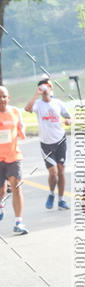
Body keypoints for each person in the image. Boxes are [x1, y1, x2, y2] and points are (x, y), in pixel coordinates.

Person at [24, 78, 71, 210]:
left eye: (47, 87)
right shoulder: (38, 104)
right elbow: (27, 108)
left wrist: (68, 121)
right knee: (53, 172)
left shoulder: (58, 103)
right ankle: (51, 194)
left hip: (60, 141)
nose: (45, 90)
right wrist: (36, 94)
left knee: (61, 171)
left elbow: (68, 117)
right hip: (46, 144)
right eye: (42, 88)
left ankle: (61, 200)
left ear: (51, 88)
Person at [0, 85, 28, 234]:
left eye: (4, 96)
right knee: (1, 190)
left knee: (16, 186)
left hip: (13, 156)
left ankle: (19, 222)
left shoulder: (15, 112)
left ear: (8, 97)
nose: (1, 99)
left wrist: (22, 131)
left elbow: (21, 127)